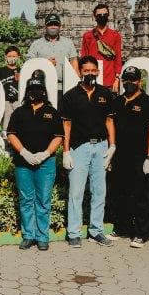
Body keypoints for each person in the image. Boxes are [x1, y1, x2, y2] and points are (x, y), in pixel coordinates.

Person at [60, 56, 116, 248]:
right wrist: (66, 151)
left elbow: (109, 121)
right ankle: (74, 232)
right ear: (80, 72)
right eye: (86, 71)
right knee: (76, 192)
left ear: (98, 72)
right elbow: (66, 125)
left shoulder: (105, 94)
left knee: (99, 191)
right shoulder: (70, 96)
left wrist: (112, 146)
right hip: (78, 147)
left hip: (101, 146)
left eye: (93, 71)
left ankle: (96, 231)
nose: (90, 74)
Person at [6, 77, 63, 251]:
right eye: (31, 89)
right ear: (26, 92)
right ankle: (28, 236)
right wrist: (23, 152)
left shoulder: (52, 112)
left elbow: (59, 136)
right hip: (24, 163)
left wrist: (46, 153)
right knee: (26, 200)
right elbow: (11, 133)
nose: (34, 92)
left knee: (43, 200)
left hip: (46, 164)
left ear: (44, 92)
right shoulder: (19, 112)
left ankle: (42, 237)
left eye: (38, 89)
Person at [111, 66, 149, 249]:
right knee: (120, 193)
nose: (129, 83)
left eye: (132, 79)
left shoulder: (148, 102)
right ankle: (122, 228)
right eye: (126, 79)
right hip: (120, 155)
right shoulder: (118, 102)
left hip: (140, 156)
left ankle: (141, 233)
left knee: (141, 196)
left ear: (140, 81)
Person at [27, 14, 79, 93]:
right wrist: (46, 64)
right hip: (43, 87)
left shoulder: (68, 43)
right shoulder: (36, 44)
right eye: (50, 24)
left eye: (56, 24)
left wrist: (76, 81)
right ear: (45, 27)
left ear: (60, 26)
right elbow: (30, 66)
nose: (53, 27)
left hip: (64, 87)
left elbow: (73, 62)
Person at [80, 3, 123, 92]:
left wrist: (117, 79)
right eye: (99, 15)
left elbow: (118, 58)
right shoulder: (87, 36)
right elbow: (84, 58)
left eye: (105, 15)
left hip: (110, 81)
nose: (102, 17)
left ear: (108, 16)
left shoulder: (115, 35)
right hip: (91, 79)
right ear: (94, 17)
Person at [0, 46, 21, 133]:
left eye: (14, 56)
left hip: (18, 100)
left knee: (18, 118)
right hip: (5, 100)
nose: (11, 58)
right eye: (9, 56)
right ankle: (5, 136)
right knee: (6, 118)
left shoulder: (21, 71)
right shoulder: (0, 71)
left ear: (18, 58)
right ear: (5, 57)